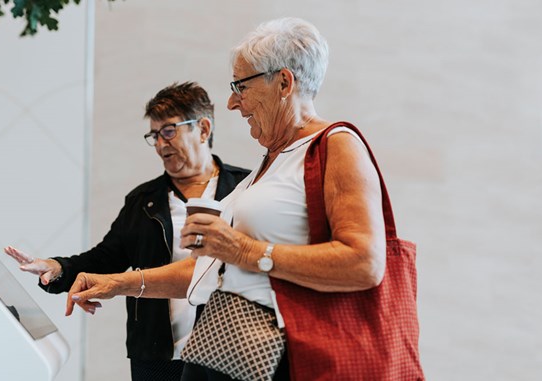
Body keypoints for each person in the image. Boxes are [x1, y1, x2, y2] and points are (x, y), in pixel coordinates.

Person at [66, 17, 423, 381]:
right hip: (231, 353)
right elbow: (207, 269)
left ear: (284, 82)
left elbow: (364, 262)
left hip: (281, 359)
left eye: (241, 86)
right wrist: (116, 284)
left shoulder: (336, 144)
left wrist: (243, 251)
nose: (233, 102)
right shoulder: (271, 161)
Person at [4, 82, 250, 381]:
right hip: (156, 353)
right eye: (154, 135)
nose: (160, 144)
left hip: (227, 351)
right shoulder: (143, 201)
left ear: (203, 128)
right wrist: (55, 268)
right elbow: (105, 259)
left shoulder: (245, 190)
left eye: (169, 131)